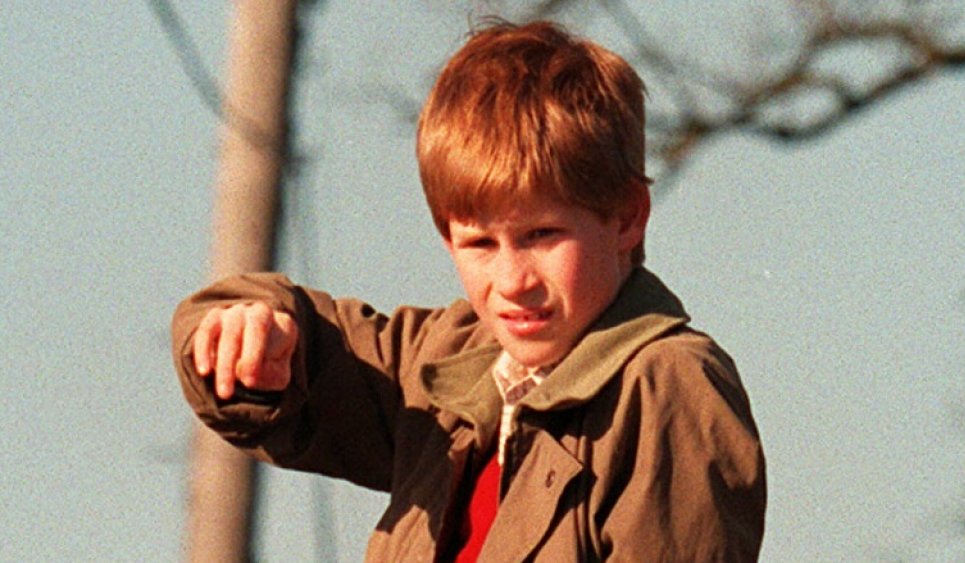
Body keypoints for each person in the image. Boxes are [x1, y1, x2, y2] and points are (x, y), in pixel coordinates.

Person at [172, 20, 766, 561]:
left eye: (543, 234)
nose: (513, 282)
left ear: (628, 217)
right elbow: (300, 341)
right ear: (445, 235)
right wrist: (244, 331)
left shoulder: (667, 386)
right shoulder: (444, 358)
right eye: (481, 243)